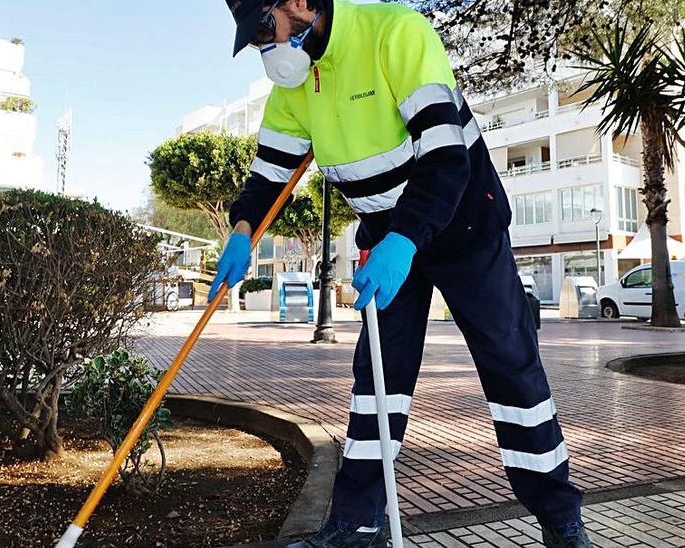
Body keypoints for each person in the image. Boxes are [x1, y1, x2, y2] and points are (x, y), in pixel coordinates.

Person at [211, 1, 590, 547]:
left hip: (462, 223)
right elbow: (268, 175)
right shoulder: (293, 88)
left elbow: (444, 156)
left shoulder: (395, 33)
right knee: (378, 382)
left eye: (265, 30)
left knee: (511, 367)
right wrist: (243, 231)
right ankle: (355, 524)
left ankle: (560, 519)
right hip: (385, 234)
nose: (264, 49)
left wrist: (404, 241)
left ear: (299, 2)